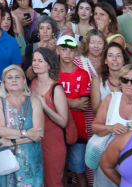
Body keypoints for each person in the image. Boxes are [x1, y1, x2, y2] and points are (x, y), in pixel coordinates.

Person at [90, 65, 132, 187]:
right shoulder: (111, 99)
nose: (129, 84)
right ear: (120, 83)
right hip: (106, 160)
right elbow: (95, 127)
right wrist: (110, 128)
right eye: (125, 80)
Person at [0, 64, 44, 187]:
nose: (13, 80)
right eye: (9, 77)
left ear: (24, 81)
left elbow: (38, 135)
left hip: (31, 160)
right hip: (7, 161)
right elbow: (0, 131)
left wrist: (12, 142)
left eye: (17, 77)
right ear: (4, 82)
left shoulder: (34, 101)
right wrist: (27, 133)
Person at [29, 48, 67, 187]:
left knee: (53, 182)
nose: (36, 63)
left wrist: (45, 106)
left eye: (40, 60)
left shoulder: (56, 88)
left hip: (52, 143)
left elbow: (63, 121)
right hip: (35, 141)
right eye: (34, 60)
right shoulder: (32, 83)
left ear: (49, 64)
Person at [56, 36, 90, 187]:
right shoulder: (52, 74)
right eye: (63, 49)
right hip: (56, 129)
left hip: (78, 130)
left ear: (76, 52)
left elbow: (83, 103)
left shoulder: (83, 74)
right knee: (60, 170)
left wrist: (60, 101)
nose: (67, 53)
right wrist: (72, 102)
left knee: (78, 169)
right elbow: (49, 102)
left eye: (71, 50)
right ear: (57, 50)